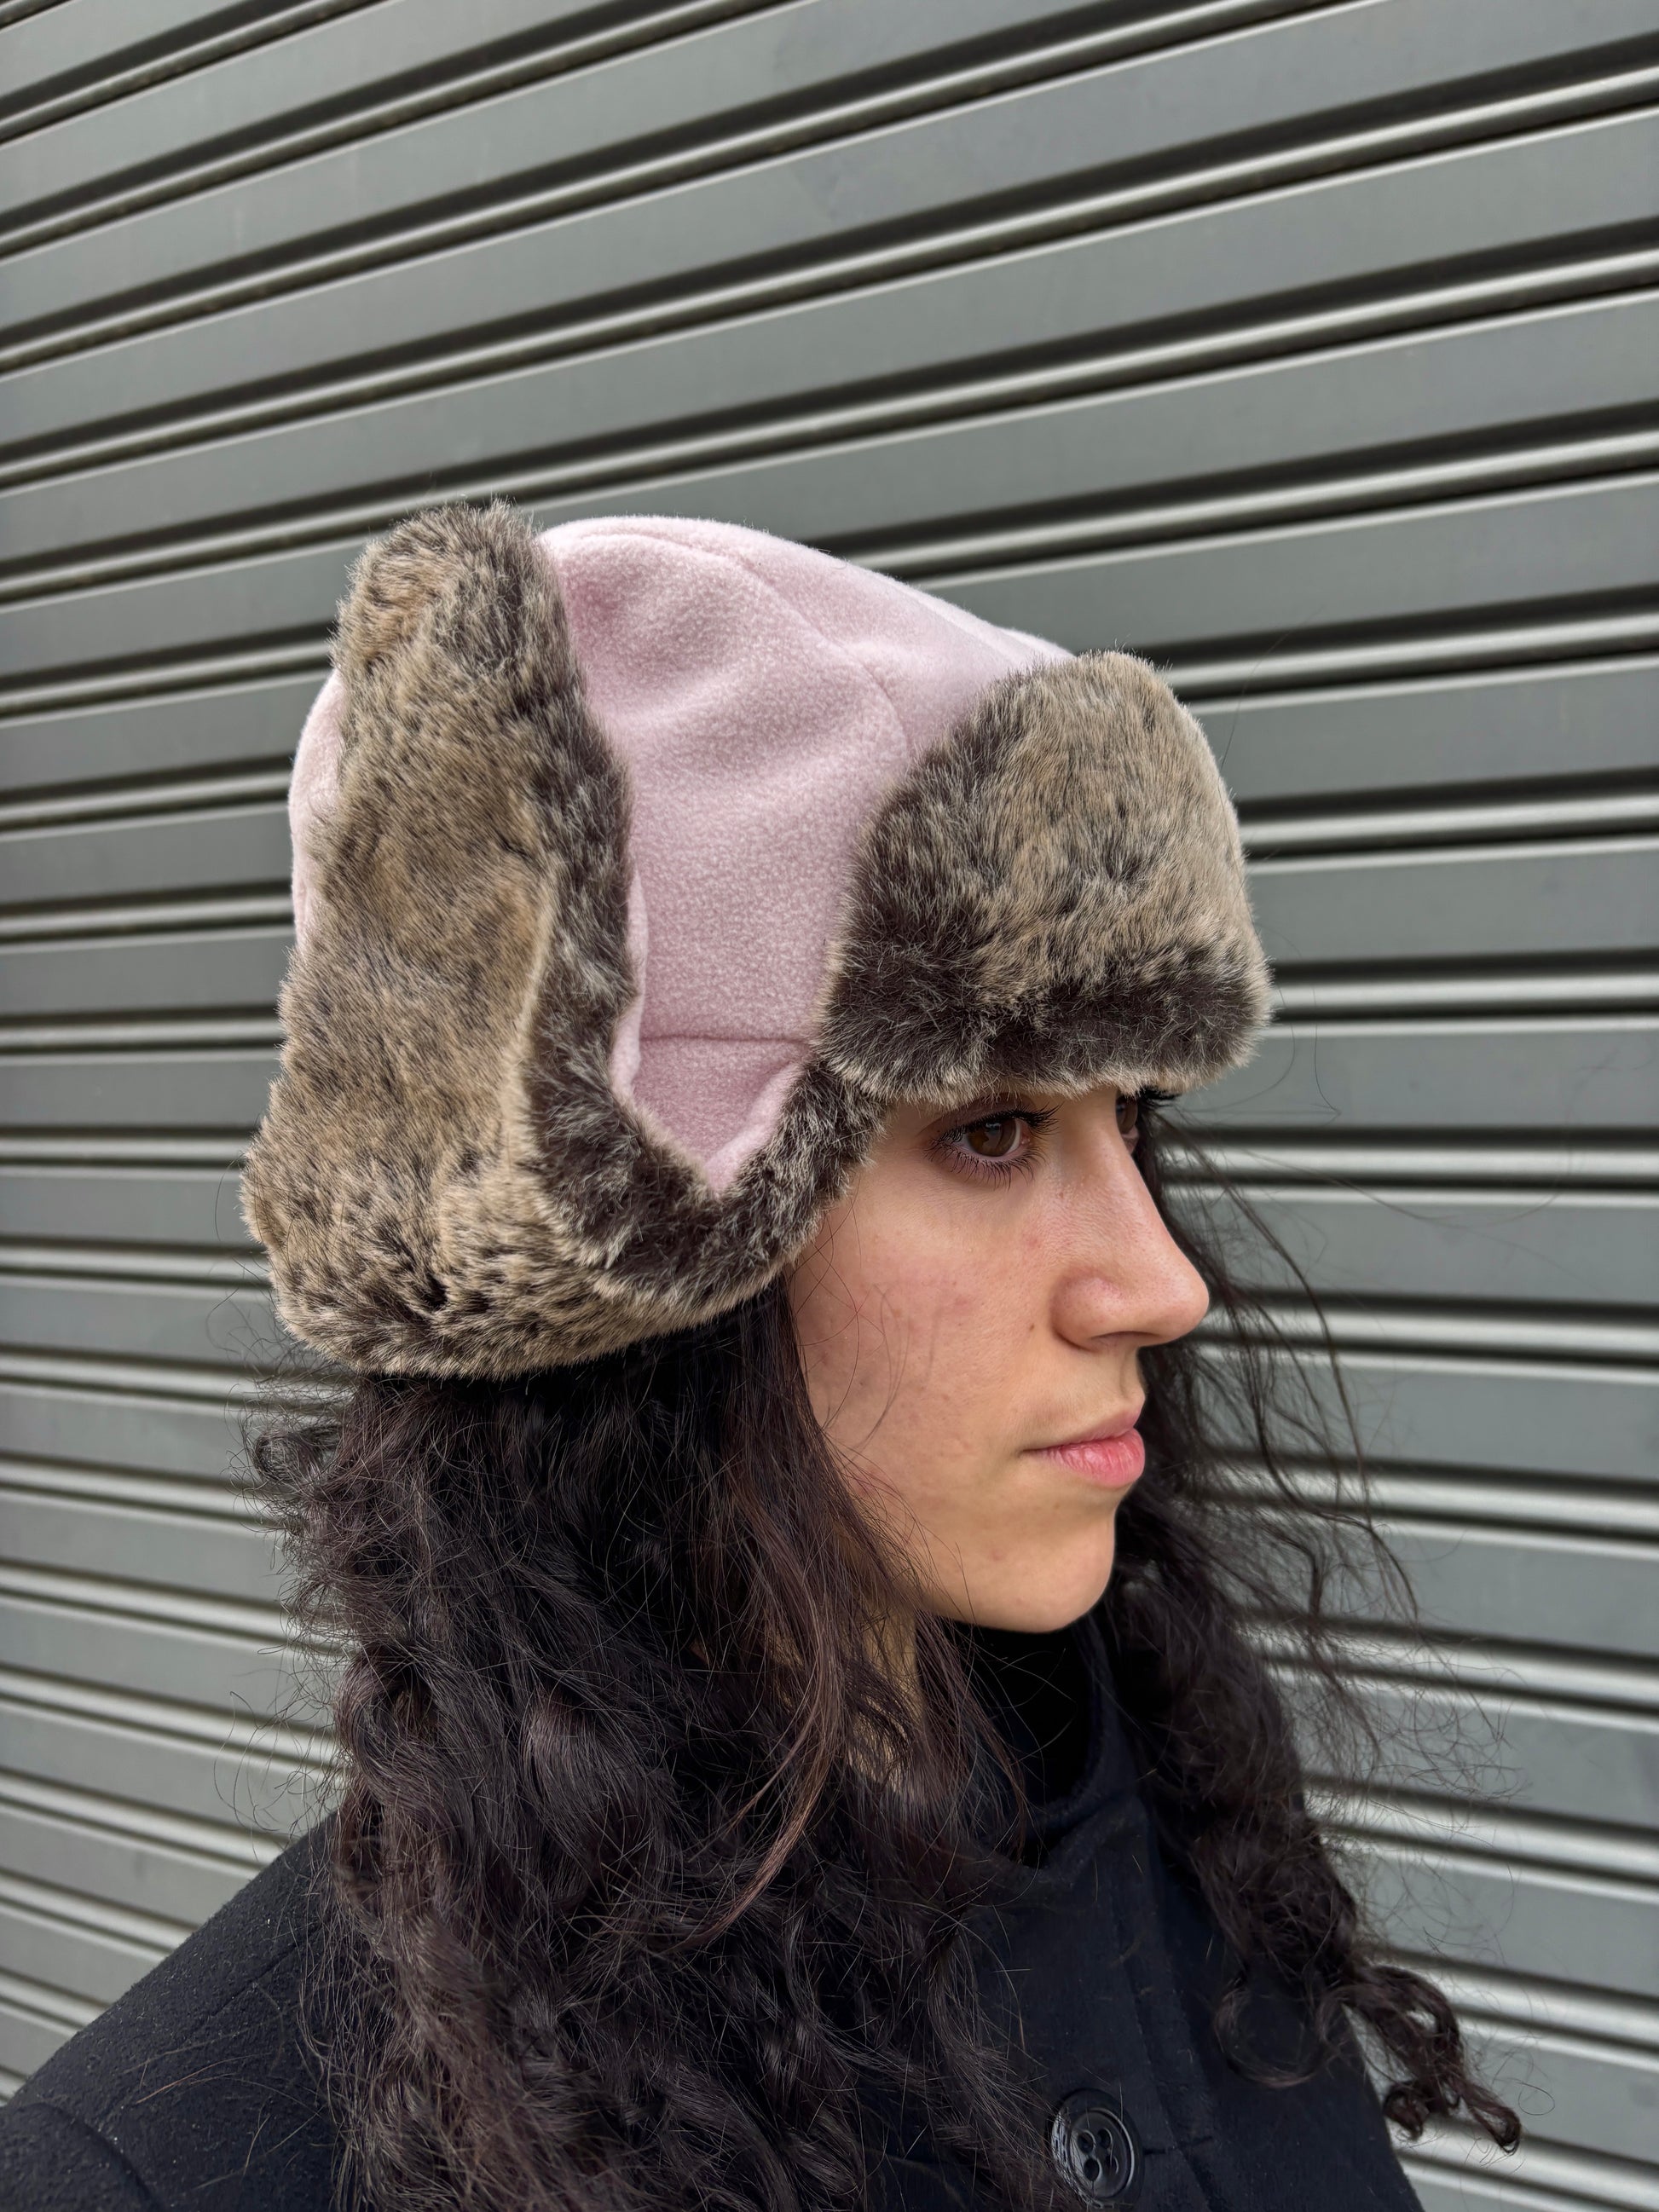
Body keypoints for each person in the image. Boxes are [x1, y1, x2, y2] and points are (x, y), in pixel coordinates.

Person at [0, 506, 1517, 2210]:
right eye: (994, 1131)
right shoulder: (165, 2170)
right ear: (643, 1270)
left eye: (1135, 1119)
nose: (1163, 1285)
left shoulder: (1177, 1841)